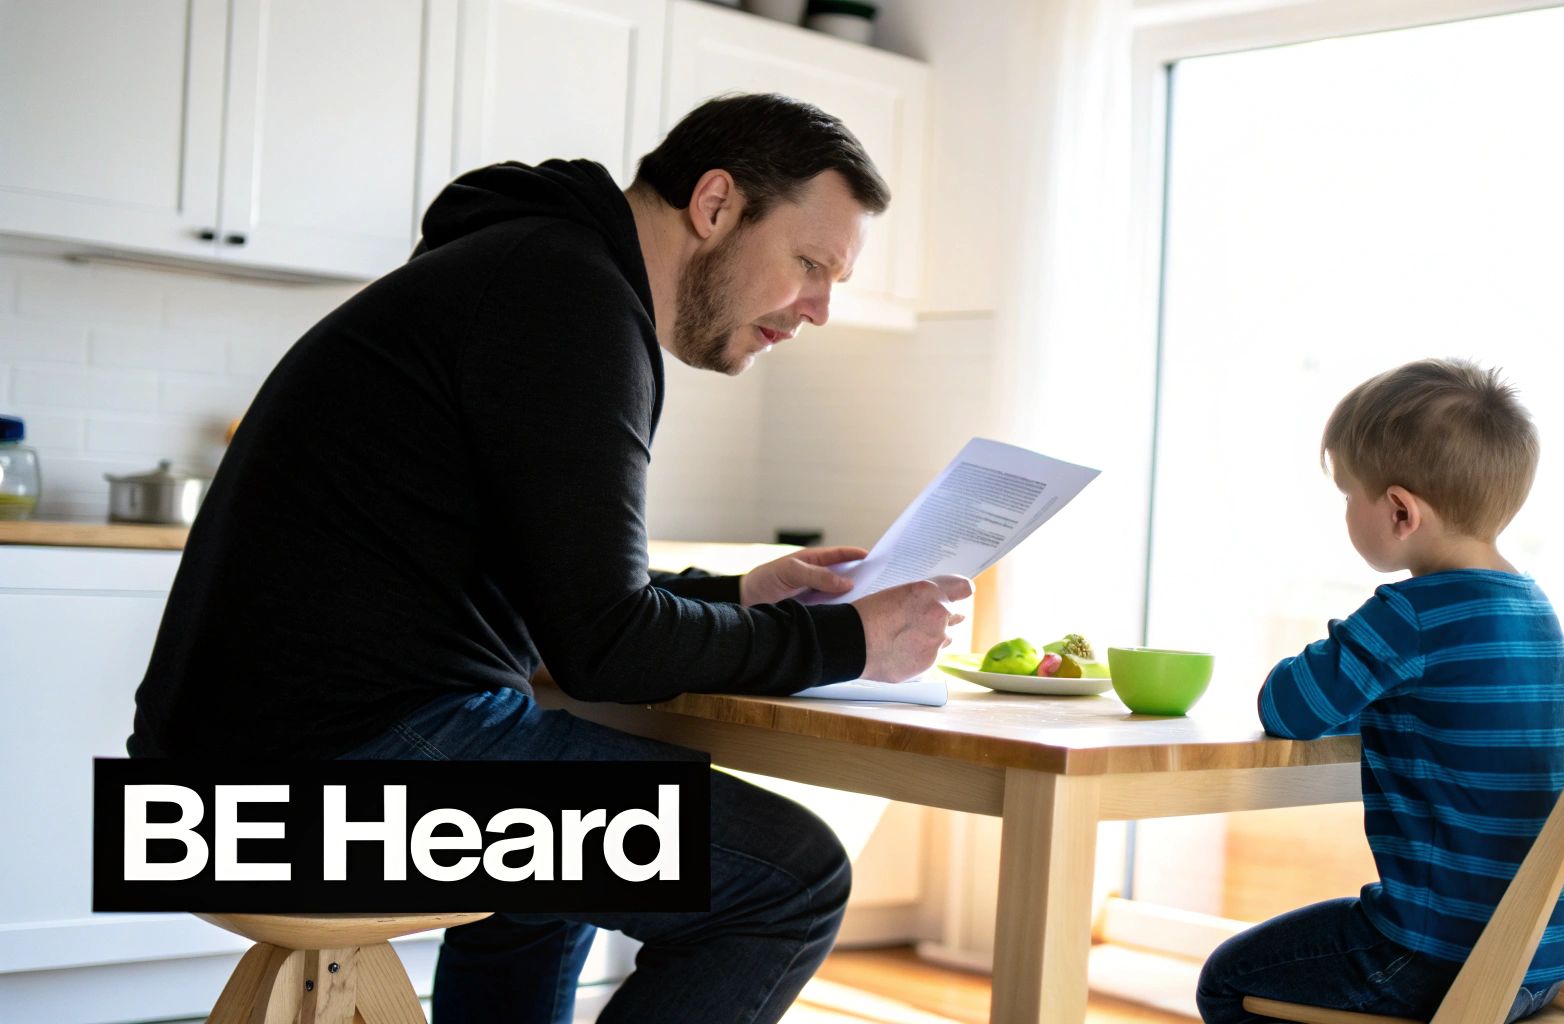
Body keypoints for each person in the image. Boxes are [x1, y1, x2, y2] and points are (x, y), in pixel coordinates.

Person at [126, 93, 971, 1023]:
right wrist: (848, 644)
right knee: (789, 882)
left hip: (206, 783)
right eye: (810, 265)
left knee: (551, 869)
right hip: (295, 795)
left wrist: (736, 592)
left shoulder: (530, 269)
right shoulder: (568, 301)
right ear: (717, 204)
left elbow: (564, 599)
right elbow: (605, 649)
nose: (815, 310)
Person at [1195, 359, 1564, 1024]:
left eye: (1349, 495)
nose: (1345, 511)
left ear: (1401, 511)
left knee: (1228, 979)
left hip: (1440, 956)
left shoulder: (1414, 614)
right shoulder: (1536, 613)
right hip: (1541, 957)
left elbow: (1288, 707)